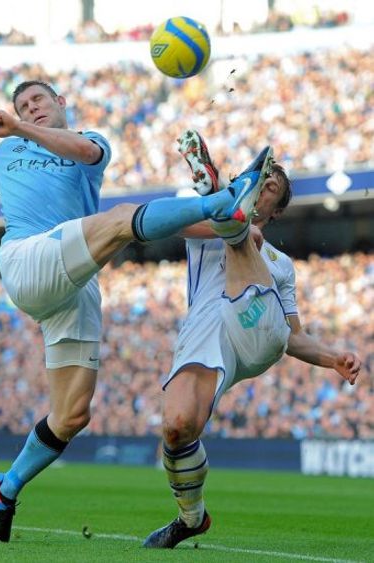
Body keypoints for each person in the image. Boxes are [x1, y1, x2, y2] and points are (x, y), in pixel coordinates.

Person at [0, 81, 273, 543]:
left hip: (74, 282)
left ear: (60, 104)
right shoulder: (5, 154)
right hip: (27, 258)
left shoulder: (92, 142)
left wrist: (20, 127)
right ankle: (226, 199)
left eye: (38, 101)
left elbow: (83, 153)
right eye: (23, 105)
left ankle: (4, 488)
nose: (30, 109)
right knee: (124, 218)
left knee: (71, 415)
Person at [143, 130, 362, 549]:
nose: (264, 186)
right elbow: (169, 224)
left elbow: (294, 337)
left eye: (270, 187)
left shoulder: (281, 265)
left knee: (237, 233)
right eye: (258, 181)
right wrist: (220, 219)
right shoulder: (199, 226)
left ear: (274, 211)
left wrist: (332, 356)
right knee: (176, 428)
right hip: (205, 333)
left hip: (257, 330)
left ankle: (230, 215)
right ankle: (191, 517)